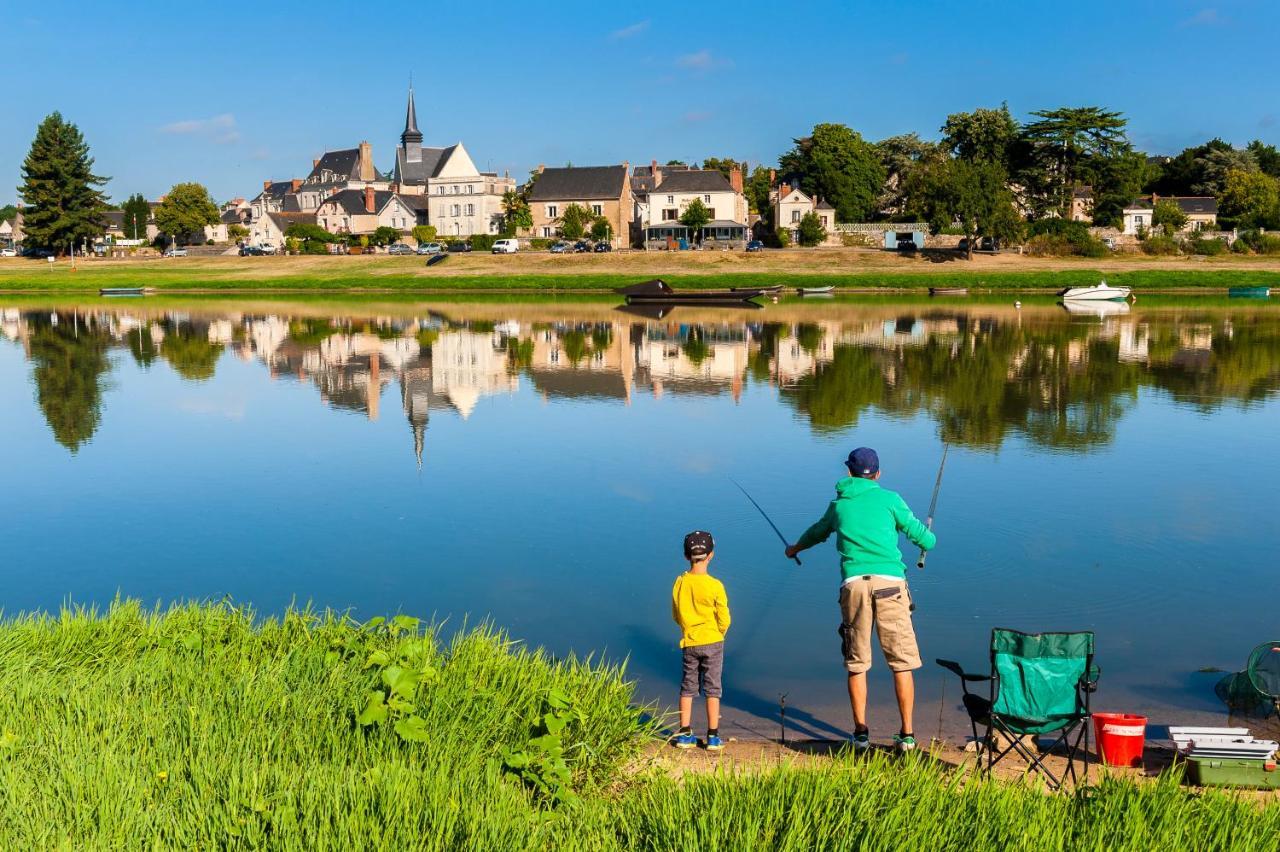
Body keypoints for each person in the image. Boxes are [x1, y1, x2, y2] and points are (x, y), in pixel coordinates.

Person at [785, 447, 935, 754]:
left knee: (857, 664)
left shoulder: (839, 506)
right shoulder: (891, 499)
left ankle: (861, 735)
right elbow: (926, 540)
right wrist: (927, 536)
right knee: (902, 663)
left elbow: (817, 532)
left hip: (854, 586)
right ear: (877, 474)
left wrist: (795, 549)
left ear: (849, 472)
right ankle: (906, 736)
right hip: (891, 586)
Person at [671, 530, 731, 751]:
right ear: (711, 555)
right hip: (714, 641)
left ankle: (685, 734)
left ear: (686, 556)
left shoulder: (680, 582)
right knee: (713, 688)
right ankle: (713, 736)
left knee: (688, 687)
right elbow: (724, 617)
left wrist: (688, 628)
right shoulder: (715, 585)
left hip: (689, 641)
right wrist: (719, 633)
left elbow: (676, 613)